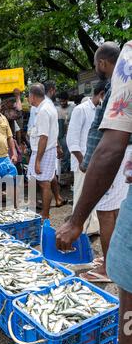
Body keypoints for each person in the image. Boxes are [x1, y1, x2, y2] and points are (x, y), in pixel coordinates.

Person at [56, 40, 132, 344]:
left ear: (104, 64)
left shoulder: (129, 58)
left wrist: (73, 221)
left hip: (114, 175)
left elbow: (112, 144)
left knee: (130, 337)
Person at [79, 42, 129, 281]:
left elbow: (106, 136)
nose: (95, 67)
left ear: (103, 63)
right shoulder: (114, 86)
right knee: (115, 210)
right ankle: (113, 259)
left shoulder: (116, 88)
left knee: (105, 212)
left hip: (115, 161)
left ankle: (109, 267)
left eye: (95, 63)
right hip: (123, 160)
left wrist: (91, 163)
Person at [66, 82, 106, 235]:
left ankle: (93, 227)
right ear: (101, 94)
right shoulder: (80, 110)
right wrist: (84, 161)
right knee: (81, 194)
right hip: (83, 162)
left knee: (95, 195)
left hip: (96, 162)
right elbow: (72, 140)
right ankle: (79, 230)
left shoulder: (100, 110)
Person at [27, 83, 58, 219]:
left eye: (28, 96)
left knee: (45, 183)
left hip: (44, 151)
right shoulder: (47, 106)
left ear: (32, 96)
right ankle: (40, 211)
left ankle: (45, 214)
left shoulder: (44, 110)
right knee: (38, 181)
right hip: (43, 150)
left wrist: (38, 160)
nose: (28, 99)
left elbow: (43, 137)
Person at [44, 81, 67, 208]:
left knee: (48, 175)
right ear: (52, 90)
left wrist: (57, 145)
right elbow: (49, 130)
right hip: (46, 146)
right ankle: (55, 199)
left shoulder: (46, 105)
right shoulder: (46, 105)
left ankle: (56, 199)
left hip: (47, 146)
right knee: (47, 175)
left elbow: (51, 130)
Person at [57, 91, 74, 174]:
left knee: (68, 153)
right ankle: (63, 171)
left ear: (67, 100)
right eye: (60, 101)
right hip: (61, 134)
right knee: (64, 153)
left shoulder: (73, 107)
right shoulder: (57, 109)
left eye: (63, 101)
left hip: (70, 133)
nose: (62, 103)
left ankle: (66, 170)